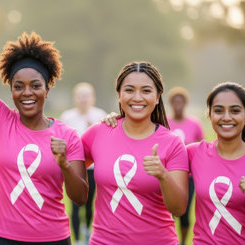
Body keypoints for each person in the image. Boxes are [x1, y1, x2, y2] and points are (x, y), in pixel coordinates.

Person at [0, 5, 88, 245]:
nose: (27, 93)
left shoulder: (67, 135)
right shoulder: (0, 120)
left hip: (54, 240)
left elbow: (80, 197)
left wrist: (64, 165)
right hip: (4, 239)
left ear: (47, 89)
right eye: (19, 86)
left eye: (35, 85)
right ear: (12, 90)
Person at [82, 61, 189, 244]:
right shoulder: (99, 132)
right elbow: (64, 170)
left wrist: (163, 175)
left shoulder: (172, 143)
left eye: (146, 91)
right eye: (129, 90)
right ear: (119, 95)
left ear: (157, 97)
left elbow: (178, 209)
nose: (137, 97)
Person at [187, 82, 245, 244]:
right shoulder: (193, 153)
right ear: (210, 115)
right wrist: (121, 121)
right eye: (219, 110)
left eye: (235, 111)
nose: (226, 117)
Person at [60, 82, 106, 245]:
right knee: (74, 205)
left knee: (89, 204)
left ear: (92, 98)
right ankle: (77, 239)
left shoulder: (99, 116)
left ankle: (87, 234)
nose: (83, 99)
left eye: (86, 96)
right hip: (73, 169)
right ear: (75, 98)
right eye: (80, 96)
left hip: (93, 169)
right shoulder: (67, 117)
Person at [167, 86, 204, 245]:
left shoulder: (194, 123)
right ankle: (169, 240)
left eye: (181, 101)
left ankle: (182, 242)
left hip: (188, 177)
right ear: (171, 103)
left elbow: (202, 148)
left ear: (185, 103)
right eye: (175, 101)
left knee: (185, 212)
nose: (178, 105)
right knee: (167, 212)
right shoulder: (165, 122)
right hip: (168, 175)